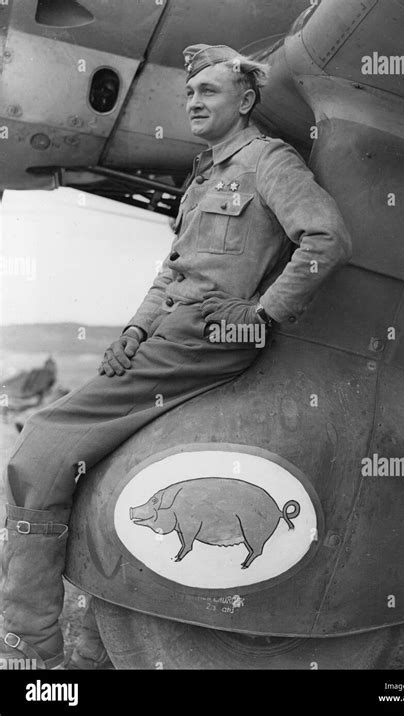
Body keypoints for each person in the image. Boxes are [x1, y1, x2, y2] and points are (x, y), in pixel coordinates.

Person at [0, 43, 351, 669]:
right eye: (189, 93)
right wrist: (132, 333)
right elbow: (172, 273)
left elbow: (325, 235)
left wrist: (265, 315)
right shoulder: (204, 177)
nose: (193, 101)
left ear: (244, 102)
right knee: (87, 456)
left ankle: (30, 641)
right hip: (170, 338)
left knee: (41, 446)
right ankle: (93, 638)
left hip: (207, 339)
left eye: (209, 92)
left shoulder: (268, 161)